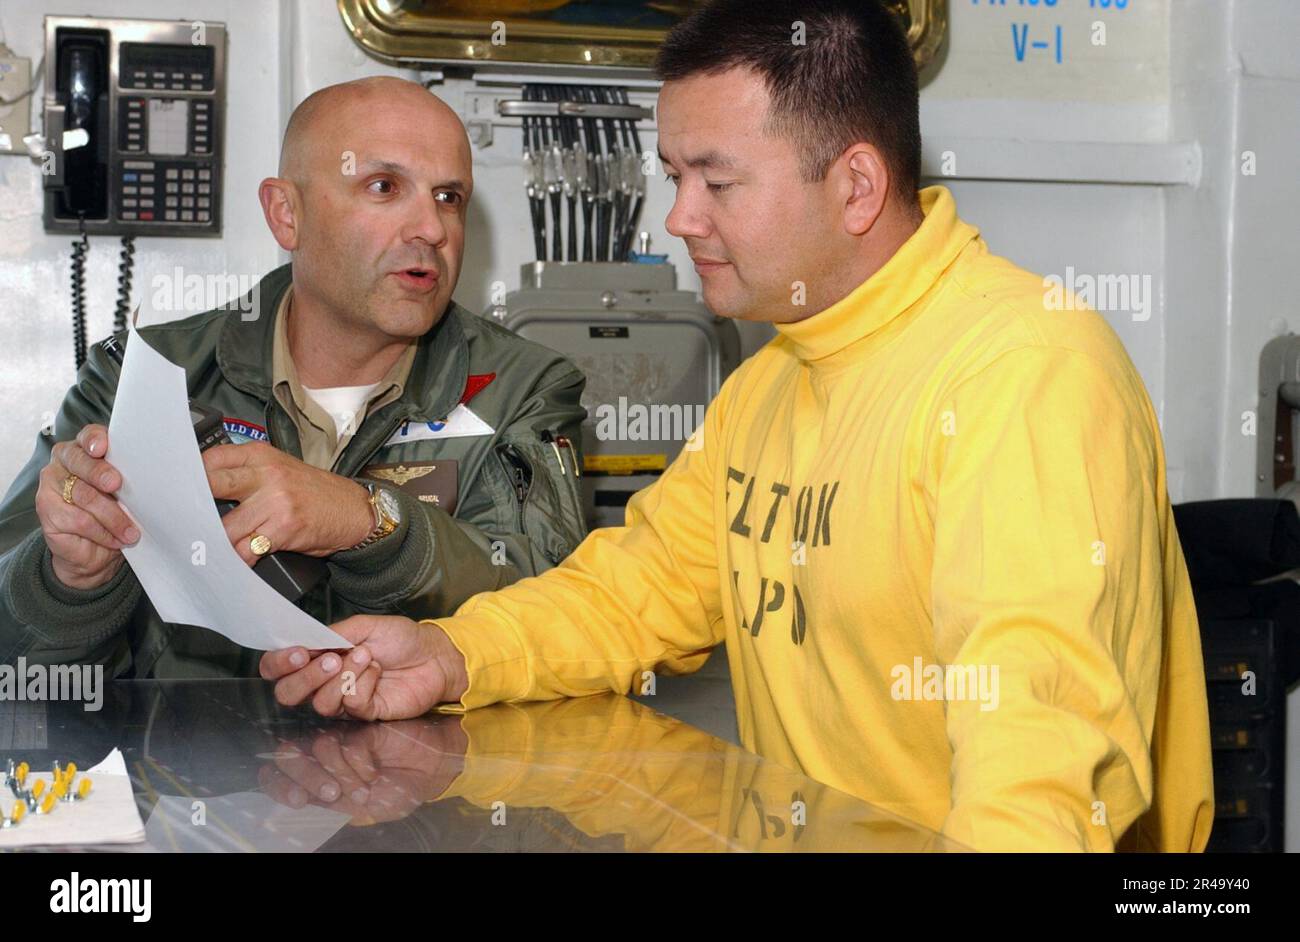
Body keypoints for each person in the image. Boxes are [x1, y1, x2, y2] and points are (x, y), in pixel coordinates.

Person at [263, 2, 1215, 852]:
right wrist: (452, 653)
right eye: (675, 175)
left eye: (717, 183)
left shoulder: (1025, 373)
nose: (679, 218)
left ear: (855, 187)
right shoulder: (775, 379)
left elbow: (1036, 766)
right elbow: (634, 593)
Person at [0, 77, 588, 678]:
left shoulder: (522, 388)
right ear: (287, 214)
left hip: (439, 764)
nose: (432, 230)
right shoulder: (144, 379)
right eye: (384, 187)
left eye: (448, 197)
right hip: (188, 765)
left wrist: (372, 522)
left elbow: (559, 613)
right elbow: (12, 659)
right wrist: (67, 580)